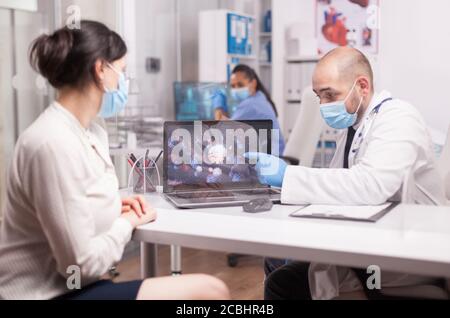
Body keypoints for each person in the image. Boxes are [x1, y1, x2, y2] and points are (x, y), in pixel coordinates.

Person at [0, 21, 230, 300]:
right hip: (46, 293)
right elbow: (78, 266)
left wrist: (109, 206)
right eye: (121, 71)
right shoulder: (51, 143)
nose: (123, 81)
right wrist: (127, 222)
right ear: (100, 70)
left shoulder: (92, 131)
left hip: (77, 284)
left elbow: (71, 206)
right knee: (211, 291)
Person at [247, 47, 447, 300]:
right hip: (371, 239)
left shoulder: (398, 117)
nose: (323, 105)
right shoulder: (354, 127)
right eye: (319, 96)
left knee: (282, 282)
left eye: (330, 94)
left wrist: (287, 176)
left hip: (405, 254)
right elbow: (340, 187)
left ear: (362, 86)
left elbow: (370, 185)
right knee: (276, 258)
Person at [213, 64, 286, 156]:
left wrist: (218, 106)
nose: (236, 89)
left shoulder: (250, 104)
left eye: (240, 85)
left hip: (270, 160)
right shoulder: (259, 97)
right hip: (273, 155)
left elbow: (221, 128)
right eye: (233, 86)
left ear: (253, 83)